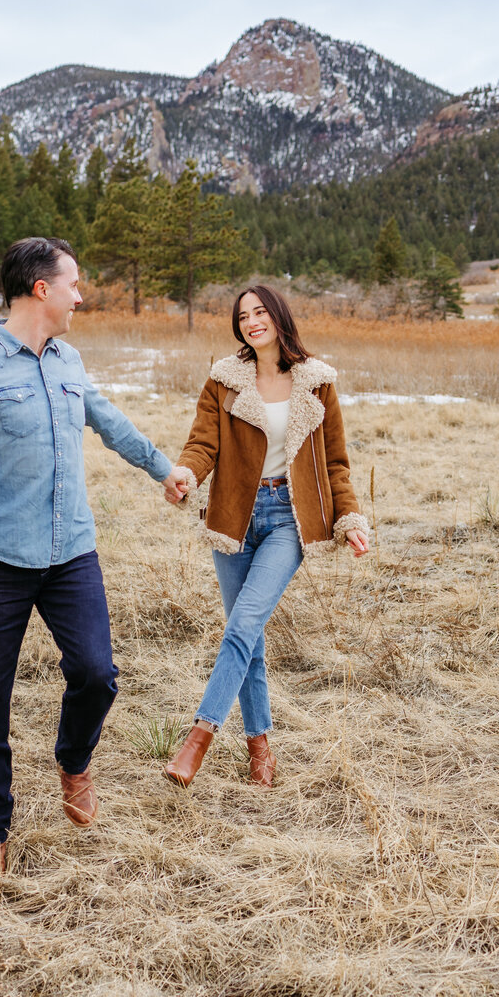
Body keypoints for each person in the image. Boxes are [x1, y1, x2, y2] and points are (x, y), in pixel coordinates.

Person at [0, 237, 189, 879]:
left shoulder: (68, 360)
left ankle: (74, 760)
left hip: (70, 553)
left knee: (96, 674)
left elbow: (108, 420)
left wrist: (162, 468)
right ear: (41, 289)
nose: (80, 296)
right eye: (74, 284)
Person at [162, 285, 368, 789]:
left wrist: (351, 518)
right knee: (246, 636)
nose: (252, 321)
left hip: (287, 521)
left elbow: (336, 463)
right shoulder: (224, 380)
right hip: (234, 516)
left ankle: (199, 738)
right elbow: (203, 442)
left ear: (278, 317)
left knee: (242, 625)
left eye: (260, 312)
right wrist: (187, 473)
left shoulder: (317, 383)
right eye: (242, 316)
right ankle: (260, 750)